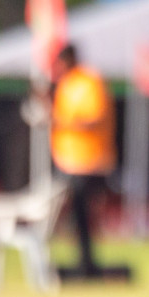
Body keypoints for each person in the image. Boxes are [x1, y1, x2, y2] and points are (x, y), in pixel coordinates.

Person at [48, 43, 118, 278]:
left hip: (90, 161)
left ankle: (87, 264)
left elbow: (94, 118)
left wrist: (62, 123)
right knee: (72, 215)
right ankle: (82, 263)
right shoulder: (65, 85)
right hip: (68, 161)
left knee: (83, 213)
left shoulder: (89, 82)